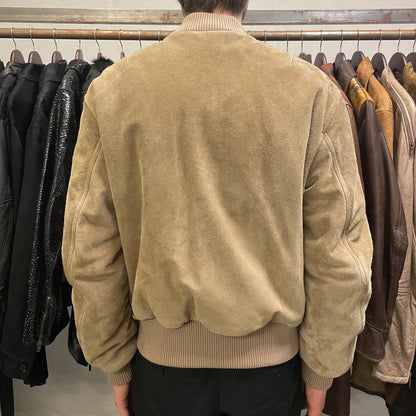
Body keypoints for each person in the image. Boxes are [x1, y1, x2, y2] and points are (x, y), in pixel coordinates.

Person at [62, 1, 373, 415]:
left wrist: (114, 360)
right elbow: (338, 252)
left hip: (162, 370)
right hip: (270, 373)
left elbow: (89, 247)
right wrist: (322, 369)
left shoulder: (114, 91)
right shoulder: (310, 91)